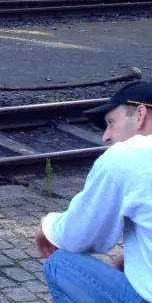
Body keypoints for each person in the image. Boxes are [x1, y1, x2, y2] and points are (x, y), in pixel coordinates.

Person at [34, 80, 152, 303]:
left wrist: (46, 227)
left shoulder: (129, 155)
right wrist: (133, 257)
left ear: (140, 115)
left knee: (60, 264)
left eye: (111, 122)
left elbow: (78, 235)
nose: (105, 137)